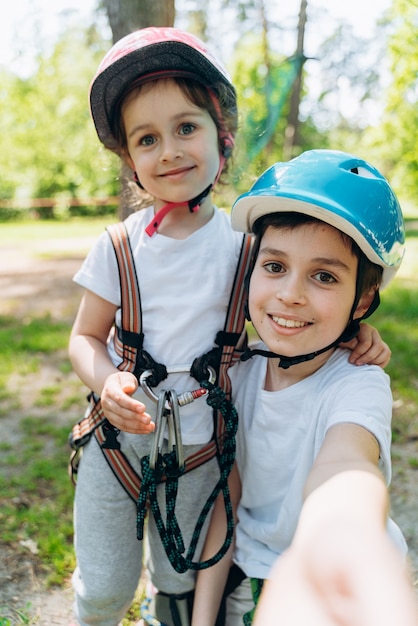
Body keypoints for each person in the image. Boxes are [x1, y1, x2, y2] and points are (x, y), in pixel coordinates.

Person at [68, 26, 391, 626]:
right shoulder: (118, 249)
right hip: (119, 442)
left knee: (179, 573)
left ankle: (170, 608)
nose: (169, 150)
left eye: (186, 128)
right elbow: (85, 336)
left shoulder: (249, 250)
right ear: (129, 161)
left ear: (223, 138)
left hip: (200, 447)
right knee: (106, 583)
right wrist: (107, 379)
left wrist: (354, 333)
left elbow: (285, 316)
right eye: (147, 138)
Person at [191, 149, 418, 626]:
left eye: (323, 276)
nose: (290, 293)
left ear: (364, 300)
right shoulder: (239, 373)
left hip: (334, 586)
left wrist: (342, 540)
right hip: (255, 570)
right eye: (274, 267)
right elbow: (226, 500)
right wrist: (201, 617)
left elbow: (347, 465)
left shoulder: (358, 383)